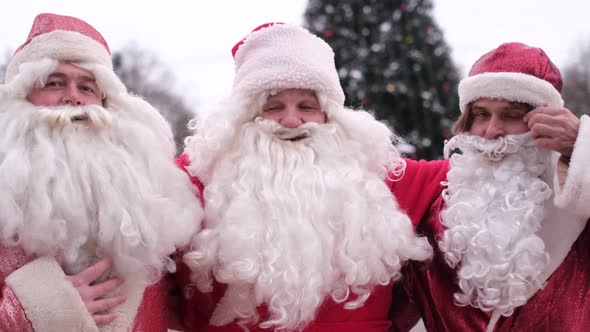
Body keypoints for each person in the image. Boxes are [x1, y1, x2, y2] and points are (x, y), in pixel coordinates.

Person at [173, 22, 444, 331]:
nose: (290, 120)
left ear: (329, 116)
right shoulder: (198, 179)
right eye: (274, 107)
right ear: (245, 116)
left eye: (306, 106)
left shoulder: (378, 178)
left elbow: (480, 173)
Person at [0, 13, 202, 331]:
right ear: (21, 96)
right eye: (55, 83)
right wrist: (30, 309)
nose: (73, 96)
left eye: (87, 87)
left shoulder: (153, 190)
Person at [389, 42, 590, 331]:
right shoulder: (434, 209)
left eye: (511, 115)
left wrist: (582, 145)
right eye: (481, 114)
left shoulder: (577, 202)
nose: (492, 131)